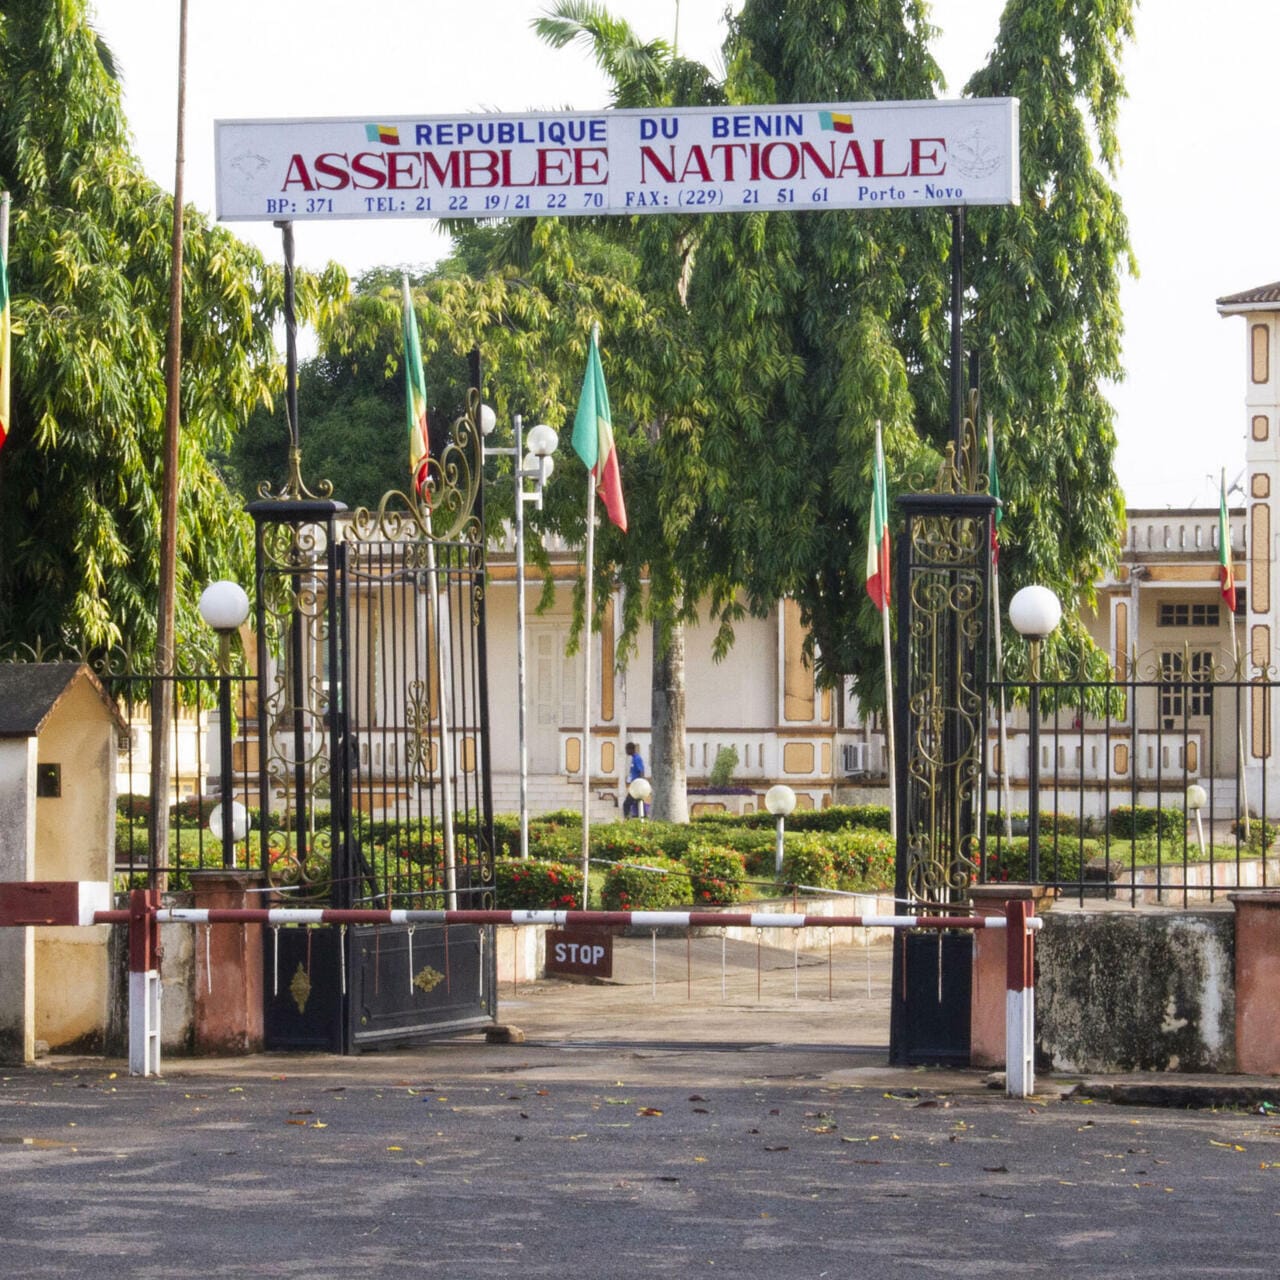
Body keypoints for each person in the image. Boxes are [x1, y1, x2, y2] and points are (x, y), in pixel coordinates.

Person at [623, 740, 646, 818]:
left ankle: (627, 820)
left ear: (631, 749)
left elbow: (641, 771)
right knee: (638, 804)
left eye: (627, 749)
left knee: (626, 804)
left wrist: (640, 785)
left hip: (637, 787)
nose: (626, 751)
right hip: (634, 785)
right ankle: (642, 818)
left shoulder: (637, 758)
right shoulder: (633, 758)